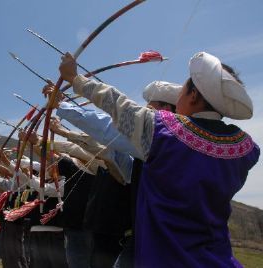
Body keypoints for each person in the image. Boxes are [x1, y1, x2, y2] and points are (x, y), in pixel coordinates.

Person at [52, 51, 260, 267]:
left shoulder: (166, 132)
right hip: (216, 258)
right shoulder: (243, 147)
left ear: (194, 95)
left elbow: (116, 110)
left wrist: (75, 79)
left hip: (164, 255)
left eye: (184, 87)